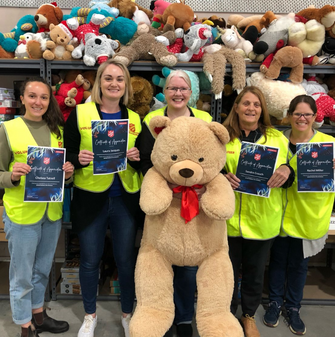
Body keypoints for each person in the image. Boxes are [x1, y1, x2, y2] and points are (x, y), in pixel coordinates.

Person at [64, 58, 142, 337]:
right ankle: (89, 315)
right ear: (99, 83)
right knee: (89, 260)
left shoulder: (134, 119)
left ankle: (127, 314)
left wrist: (136, 157)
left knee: (125, 260)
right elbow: (68, 154)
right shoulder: (81, 114)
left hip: (124, 199)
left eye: (119, 79)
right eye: (108, 78)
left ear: (125, 85)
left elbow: (144, 161)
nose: (114, 83)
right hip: (90, 197)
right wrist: (78, 159)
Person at [140, 70, 212, 337]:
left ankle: (182, 317)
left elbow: (211, 158)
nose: (178, 93)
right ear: (165, 91)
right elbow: (146, 161)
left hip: (194, 202)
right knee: (159, 264)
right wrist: (165, 185)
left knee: (187, 264)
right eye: (173, 88)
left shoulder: (204, 120)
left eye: (183, 89)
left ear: (191, 93)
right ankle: (162, 316)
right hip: (163, 202)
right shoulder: (152, 120)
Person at [0, 77, 73, 337]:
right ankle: (24, 325)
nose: (38, 102)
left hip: (51, 213)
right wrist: (13, 175)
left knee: (42, 268)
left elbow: (60, 174)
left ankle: (39, 315)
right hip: (22, 215)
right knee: (22, 274)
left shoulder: (57, 130)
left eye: (43, 97)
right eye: (32, 96)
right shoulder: (8, 129)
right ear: (22, 98)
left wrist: (67, 173)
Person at [223, 86, 294, 337]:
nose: (251, 108)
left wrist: (287, 170)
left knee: (254, 274)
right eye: (246, 103)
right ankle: (226, 317)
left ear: (262, 110)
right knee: (226, 275)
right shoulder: (222, 136)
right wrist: (222, 177)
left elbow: (291, 174)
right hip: (227, 221)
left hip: (263, 221)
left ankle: (248, 316)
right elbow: (208, 168)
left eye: (256, 104)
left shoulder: (276, 138)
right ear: (237, 107)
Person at [263, 95, 335, 335]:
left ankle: (293, 307)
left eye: (307, 114)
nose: (302, 118)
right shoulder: (278, 143)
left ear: (315, 117)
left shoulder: (328, 144)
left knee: (298, 265)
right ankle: (274, 303)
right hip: (279, 214)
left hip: (308, 215)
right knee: (277, 261)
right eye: (297, 114)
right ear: (289, 116)